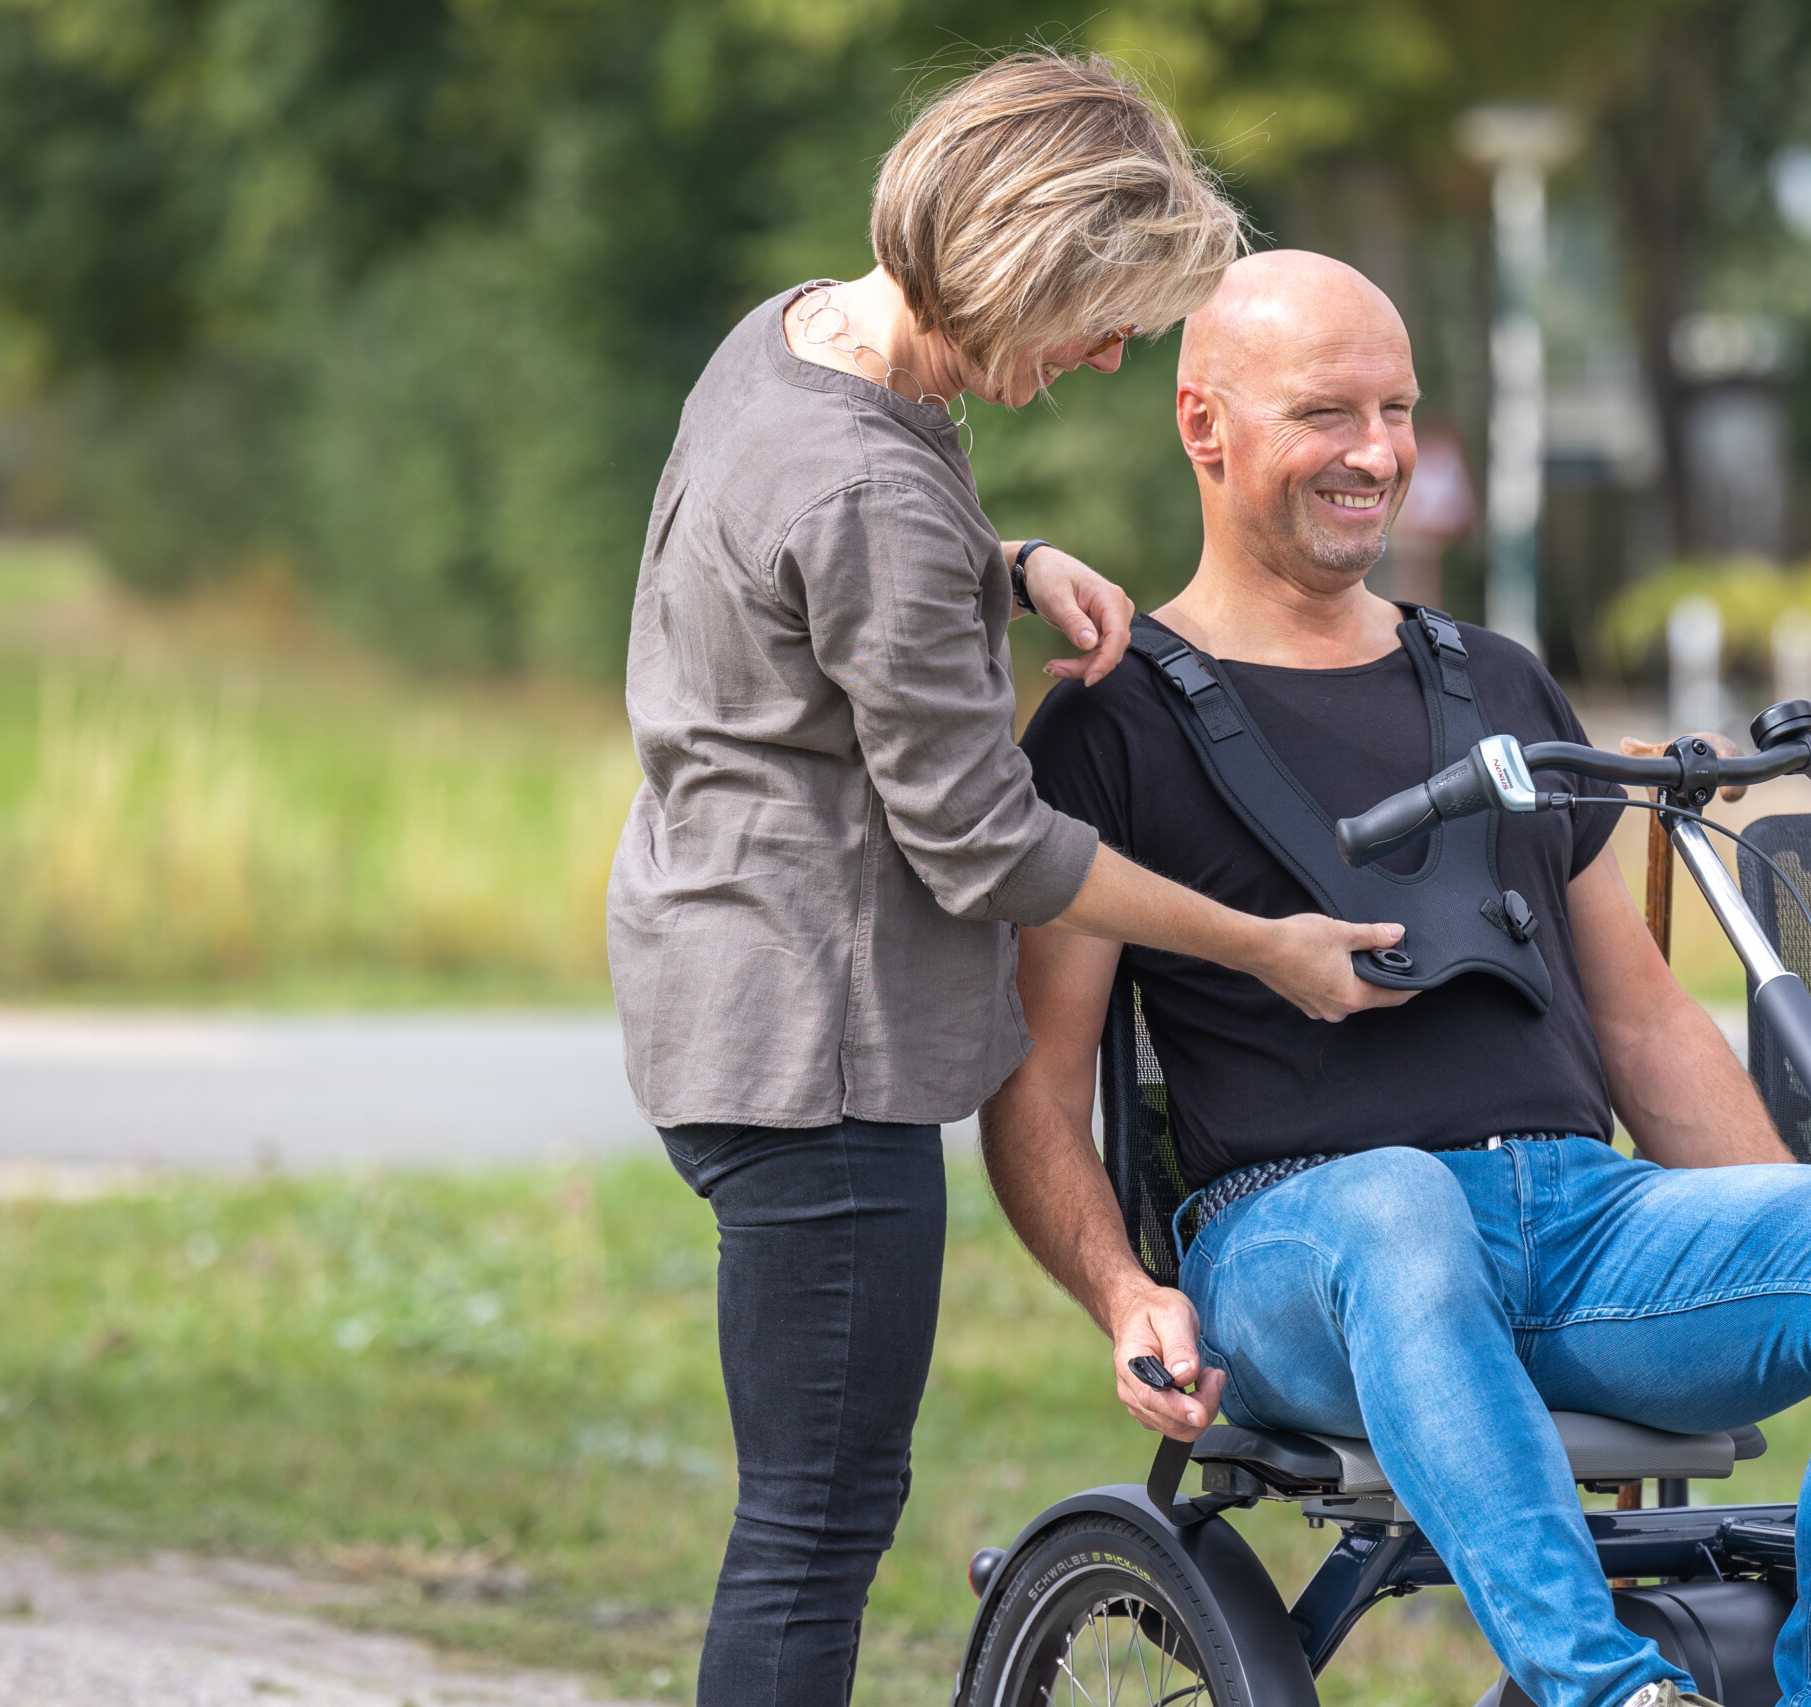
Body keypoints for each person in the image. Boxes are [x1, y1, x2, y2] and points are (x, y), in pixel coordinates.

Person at [980, 250, 1811, 1707]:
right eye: (1328, 412)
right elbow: (1032, 1090)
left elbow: (1643, 1022)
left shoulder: (1504, 686)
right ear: (1205, 428)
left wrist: (1790, 1224)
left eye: (1398, 410)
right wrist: (1121, 1296)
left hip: (1583, 1228)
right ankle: (1607, 1694)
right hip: (1301, 1248)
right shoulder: (1113, 718)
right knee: (1398, 1205)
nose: (1378, 453)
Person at [607, 62, 1413, 1707]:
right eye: (1099, 319)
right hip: (809, 1053)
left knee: (808, 1511)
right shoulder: (874, 489)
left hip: (707, 968)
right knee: (817, 1526)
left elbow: (805, 555)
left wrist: (1010, 564)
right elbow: (994, 846)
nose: (1110, 357)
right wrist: (1262, 943)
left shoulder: (795, 337)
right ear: (1015, 270)